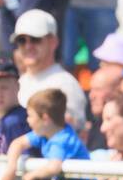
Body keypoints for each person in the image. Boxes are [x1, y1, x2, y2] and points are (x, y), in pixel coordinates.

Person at [12, 9, 86, 137]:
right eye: (22, 40)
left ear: (53, 42)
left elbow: (68, 133)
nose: (28, 46)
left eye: (35, 39)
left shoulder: (66, 83)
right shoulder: (15, 81)